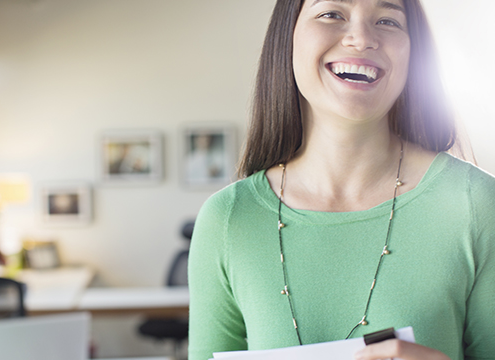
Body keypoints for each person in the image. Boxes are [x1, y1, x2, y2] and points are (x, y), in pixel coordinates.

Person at [188, 1, 495, 360]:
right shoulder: (228, 219)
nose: (362, 38)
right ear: (286, 38)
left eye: (387, 20)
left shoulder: (477, 204)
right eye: (331, 14)